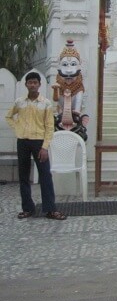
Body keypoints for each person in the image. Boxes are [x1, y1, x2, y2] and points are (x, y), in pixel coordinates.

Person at [6, 72, 67, 220]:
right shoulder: (20, 102)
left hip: (39, 143)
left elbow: (49, 126)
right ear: (26, 84)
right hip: (23, 142)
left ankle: (50, 209)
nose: (32, 85)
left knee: (45, 175)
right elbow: (9, 116)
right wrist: (18, 128)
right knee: (24, 176)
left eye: (35, 82)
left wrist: (45, 147)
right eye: (30, 82)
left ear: (39, 84)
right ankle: (28, 208)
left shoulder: (45, 103)